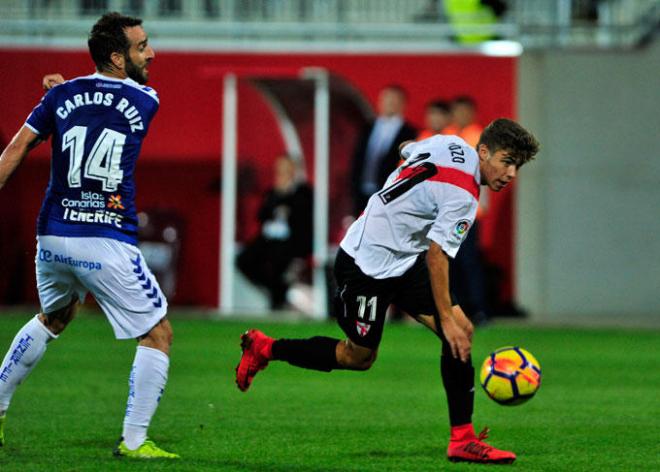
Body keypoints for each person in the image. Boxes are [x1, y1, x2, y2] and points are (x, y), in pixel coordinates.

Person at [236, 118, 540, 464]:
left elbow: (405, 148)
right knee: (359, 357)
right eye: (507, 161)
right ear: (483, 152)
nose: (512, 173)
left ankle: (462, 439)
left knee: (462, 332)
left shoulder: (446, 143)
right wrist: (445, 318)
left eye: (517, 165)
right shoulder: (465, 197)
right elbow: (438, 256)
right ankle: (266, 348)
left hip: (403, 261)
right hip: (363, 265)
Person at [0, 12, 178, 459]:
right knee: (158, 334)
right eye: (141, 47)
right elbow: (107, 104)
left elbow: (18, 147)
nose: (151, 53)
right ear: (118, 57)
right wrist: (68, 91)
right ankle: (135, 442)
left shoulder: (61, 94)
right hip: (104, 237)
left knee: (54, 316)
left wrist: (60, 94)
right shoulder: (147, 99)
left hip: (52, 235)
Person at [237, 155, 313, 310]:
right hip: (268, 241)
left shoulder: (303, 193)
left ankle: (279, 298)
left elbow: (303, 224)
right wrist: (278, 196)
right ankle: (279, 292)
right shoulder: (272, 193)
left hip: (291, 243)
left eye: (285, 170)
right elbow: (261, 216)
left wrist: (287, 196)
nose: (280, 175)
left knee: (277, 263)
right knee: (244, 260)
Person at [350, 85, 417, 215]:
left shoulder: (410, 133)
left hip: (390, 195)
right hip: (362, 194)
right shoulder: (367, 127)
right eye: (386, 100)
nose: (389, 104)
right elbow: (358, 159)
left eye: (393, 100)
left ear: (403, 104)